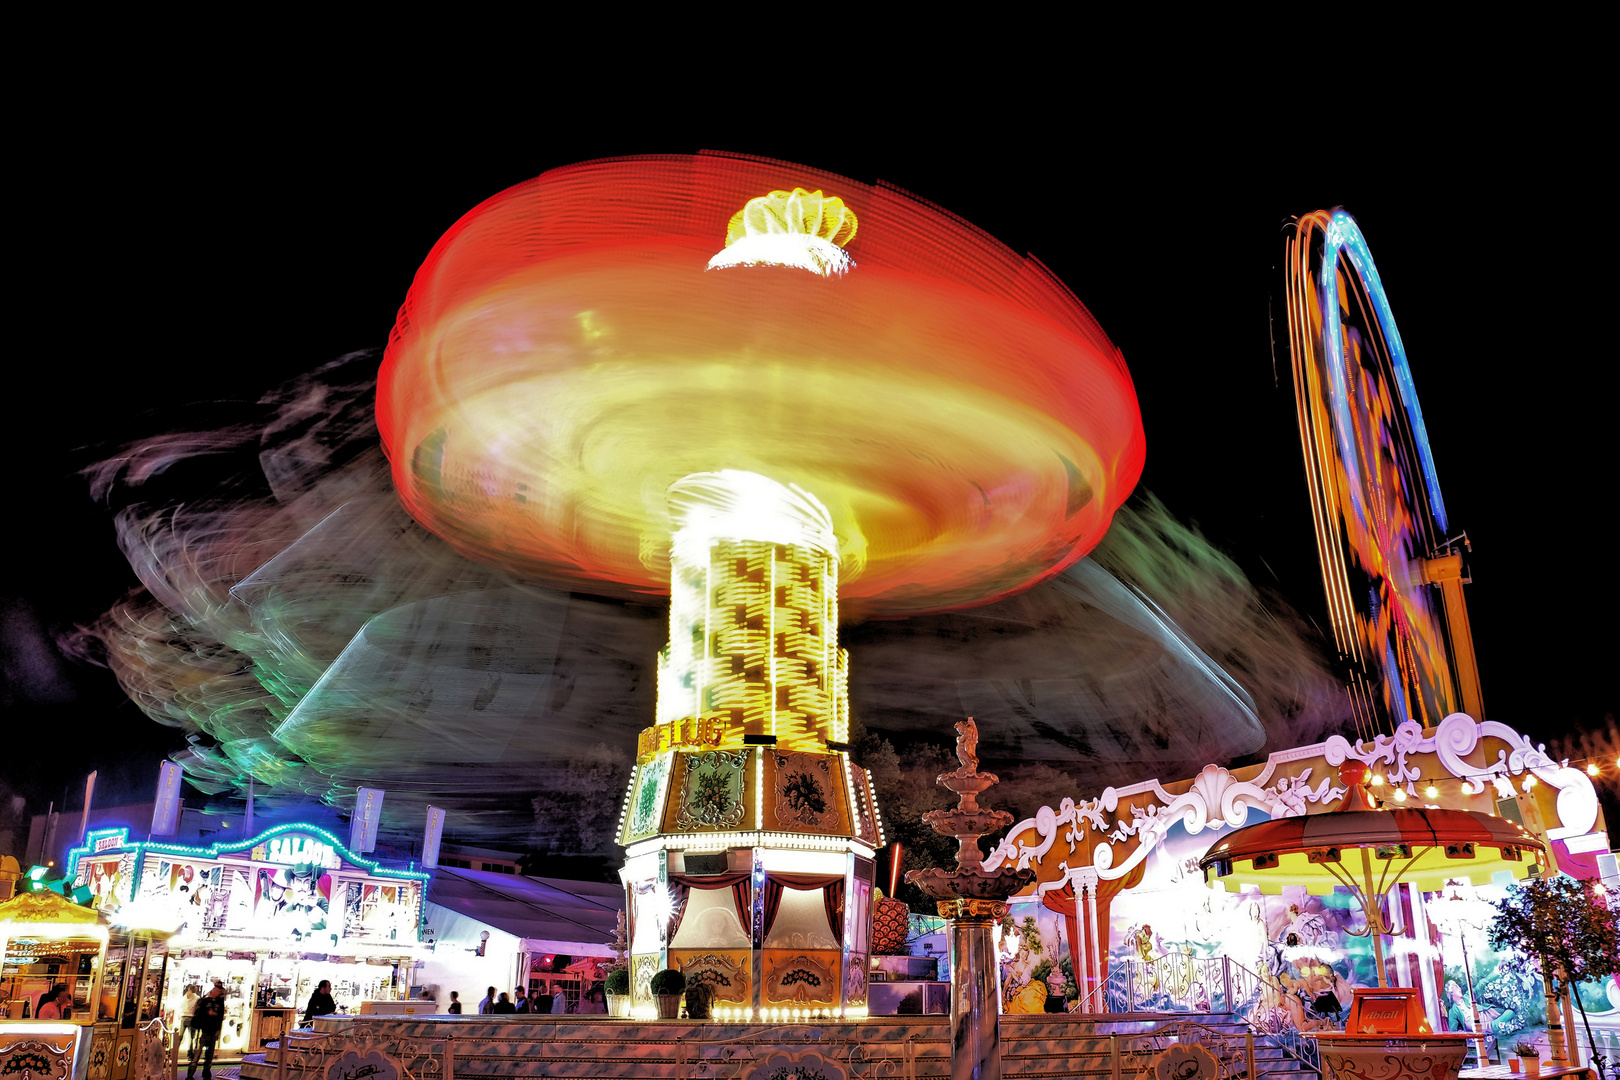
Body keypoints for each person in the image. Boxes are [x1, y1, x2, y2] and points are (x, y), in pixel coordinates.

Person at [187, 981, 227, 1080]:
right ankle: (191, 1074)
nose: (218, 992)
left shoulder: (219, 1003)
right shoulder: (204, 1001)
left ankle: (205, 1074)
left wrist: (218, 1029)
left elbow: (220, 1017)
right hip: (204, 1030)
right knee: (197, 1054)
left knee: (209, 1055)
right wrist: (208, 1015)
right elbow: (199, 1014)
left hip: (212, 1030)